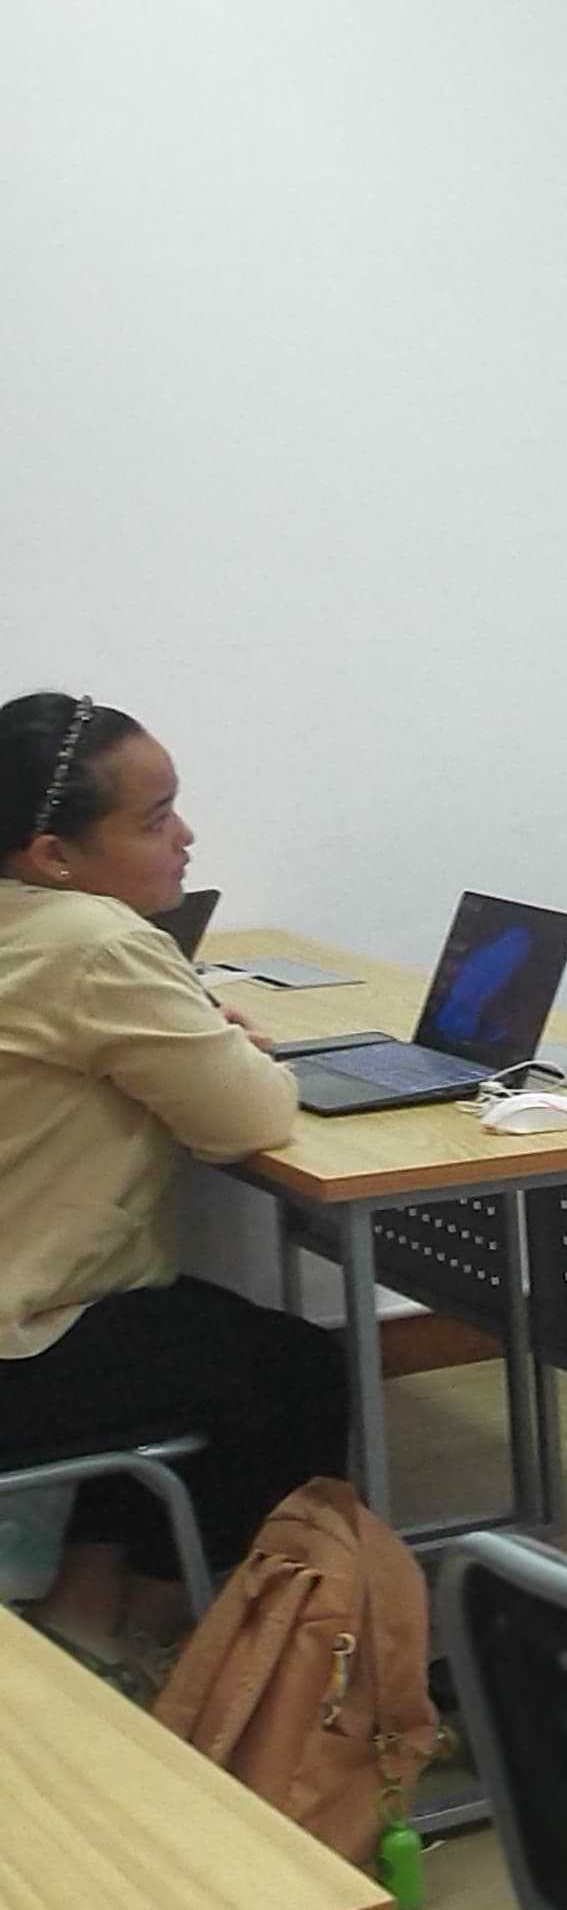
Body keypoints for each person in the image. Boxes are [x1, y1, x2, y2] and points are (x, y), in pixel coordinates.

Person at [0, 692, 349, 1670]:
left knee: (158, 1319)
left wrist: (192, 1030)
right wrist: (237, 1047)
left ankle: (89, 1604)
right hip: (21, 1346)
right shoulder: (94, 944)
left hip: (48, 1308)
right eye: (154, 820)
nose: (186, 837)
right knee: (292, 1372)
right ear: (53, 855)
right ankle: (174, 1634)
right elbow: (249, 1117)